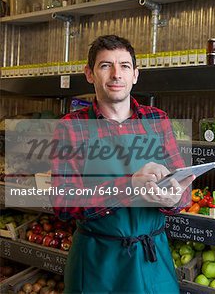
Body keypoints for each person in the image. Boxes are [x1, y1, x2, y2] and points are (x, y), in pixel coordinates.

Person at [51, 35, 195, 293]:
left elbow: (183, 191)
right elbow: (63, 204)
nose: (117, 74)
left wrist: (174, 198)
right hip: (98, 261)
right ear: (89, 74)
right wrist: (129, 186)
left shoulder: (157, 120)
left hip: (152, 258)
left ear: (135, 75)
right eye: (106, 65)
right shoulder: (71, 127)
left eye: (125, 66)